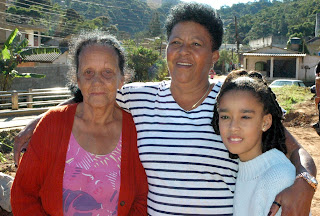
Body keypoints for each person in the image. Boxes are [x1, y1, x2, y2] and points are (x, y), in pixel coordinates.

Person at [14, 2, 317, 215]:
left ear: (213, 55)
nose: (184, 51)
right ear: (166, 49)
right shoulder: (139, 97)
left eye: (196, 44)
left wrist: (307, 182)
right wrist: (36, 123)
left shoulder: (231, 104)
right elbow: (95, 89)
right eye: (176, 42)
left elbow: (294, 149)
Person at [11, 32, 148, 215]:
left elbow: (141, 198)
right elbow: (23, 194)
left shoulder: (134, 131)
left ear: (122, 79)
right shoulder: (52, 124)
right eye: (88, 72)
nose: (97, 81)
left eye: (107, 72)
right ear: (78, 79)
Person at [212, 70, 298, 215]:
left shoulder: (278, 176)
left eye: (245, 117)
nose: (233, 127)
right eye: (225, 117)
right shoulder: (242, 168)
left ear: (265, 122)